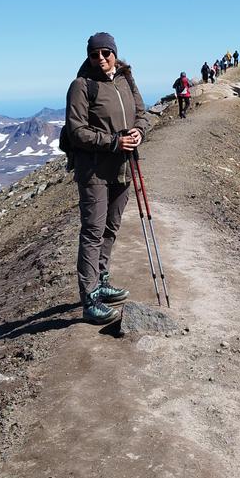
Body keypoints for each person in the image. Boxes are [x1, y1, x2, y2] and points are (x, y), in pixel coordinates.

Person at [64, 32, 149, 324]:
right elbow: (76, 131)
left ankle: (101, 279)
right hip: (94, 170)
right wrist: (113, 142)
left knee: (111, 227)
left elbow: (141, 112)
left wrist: (139, 131)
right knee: (93, 231)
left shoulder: (126, 78)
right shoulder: (81, 86)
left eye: (105, 53)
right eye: (94, 54)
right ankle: (89, 299)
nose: (100, 58)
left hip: (124, 167)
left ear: (114, 53)